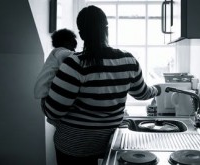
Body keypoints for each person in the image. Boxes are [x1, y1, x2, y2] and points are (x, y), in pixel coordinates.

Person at [42, 5, 161, 165]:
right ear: (107, 29)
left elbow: (53, 112)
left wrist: (44, 98)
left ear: (81, 34)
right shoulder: (128, 61)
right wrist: (157, 90)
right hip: (110, 144)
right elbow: (142, 93)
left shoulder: (74, 64)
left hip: (75, 148)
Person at [34, 28, 77, 100]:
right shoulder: (59, 51)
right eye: (72, 48)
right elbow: (66, 55)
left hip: (43, 91)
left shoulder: (54, 54)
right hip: (46, 92)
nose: (73, 50)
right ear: (66, 43)